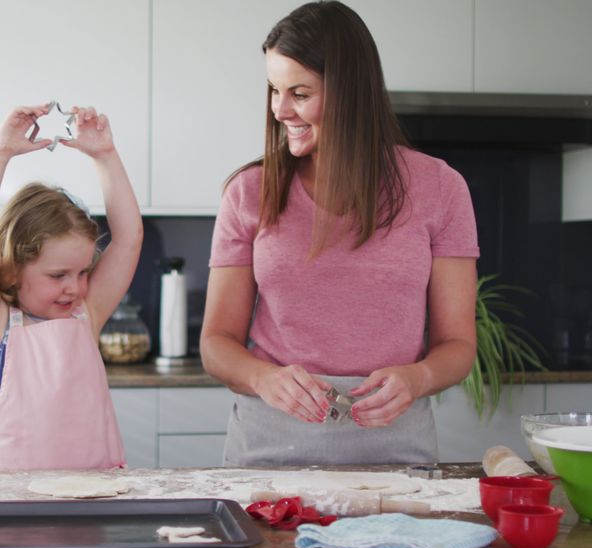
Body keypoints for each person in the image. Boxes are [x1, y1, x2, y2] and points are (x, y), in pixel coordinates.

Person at [201, 1, 479, 467]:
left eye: (300, 93)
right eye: (274, 89)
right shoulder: (249, 192)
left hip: (395, 453)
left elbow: (458, 345)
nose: (279, 110)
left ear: (351, 93)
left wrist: (418, 378)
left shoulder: (440, 189)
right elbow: (216, 344)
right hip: (268, 451)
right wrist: (264, 378)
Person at [0, 103, 142, 471]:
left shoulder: (85, 315)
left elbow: (129, 239)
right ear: (12, 270)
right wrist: (0, 153)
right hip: (11, 499)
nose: (74, 287)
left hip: (96, 492)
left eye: (83, 271)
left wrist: (105, 156)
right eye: (58, 275)